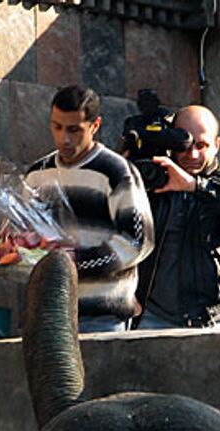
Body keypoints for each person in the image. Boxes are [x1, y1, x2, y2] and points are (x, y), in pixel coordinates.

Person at [25, 85, 154, 333]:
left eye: (74, 130)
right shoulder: (37, 174)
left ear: (95, 126)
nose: (64, 138)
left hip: (102, 314)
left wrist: (75, 261)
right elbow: (26, 237)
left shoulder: (117, 172)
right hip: (49, 312)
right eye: (57, 127)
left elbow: (138, 241)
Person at [134, 105, 220, 329]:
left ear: (217, 145)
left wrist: (195, 186)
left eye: (202, 146)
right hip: (152, 317)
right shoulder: (155, 179)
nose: (192, 155)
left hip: (210, 319)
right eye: (184, 145)